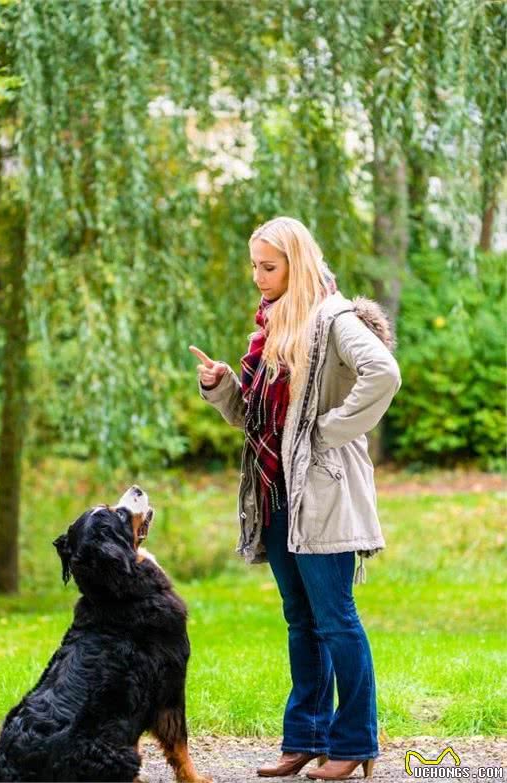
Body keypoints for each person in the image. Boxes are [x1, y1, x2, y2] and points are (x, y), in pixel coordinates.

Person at [189, 216, 401, 781]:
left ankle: (355, 743)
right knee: (301, 621)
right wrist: (220, 386)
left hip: (324, 491)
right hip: (276, 492)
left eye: (269, 266)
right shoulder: (271, 324)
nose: (258, 276)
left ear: (296, 263)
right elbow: (256, 420)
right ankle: (306, 737)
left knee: (336, 620)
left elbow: (382, 372)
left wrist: (328, 430)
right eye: (255, 265)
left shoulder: (332, 318)